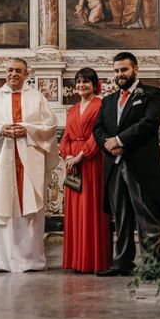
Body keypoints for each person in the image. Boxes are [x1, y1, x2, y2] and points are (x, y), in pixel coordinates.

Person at [0, 58, 59, 272]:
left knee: (30, 207)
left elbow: (50, 125)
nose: (14, 74)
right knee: (1, 206)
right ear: (6, 73)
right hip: (3, 159)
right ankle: (2, 260)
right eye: (10, 70)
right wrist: (1, 129)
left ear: (26, 74)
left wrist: (27, 129)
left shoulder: (37, 97)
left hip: (29, 159)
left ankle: (31, 260)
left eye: (19, 71)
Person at [93, 52, 160, 276]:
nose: (119, 74)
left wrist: (119, 140)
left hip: (140, 164)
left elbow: (149, 123)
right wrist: (108, 145)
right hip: (114, 164)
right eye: (116, 71)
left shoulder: (152, 94)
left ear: (135, 69)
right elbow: (98, 129)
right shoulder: (108, 100)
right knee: (121, 216)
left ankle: (154, 266)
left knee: (146, 216)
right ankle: (122, 263)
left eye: (123, 70)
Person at [60, 68, 111, 273]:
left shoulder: (102, 105)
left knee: (91, 208)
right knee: (74, 211)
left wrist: (82, 155)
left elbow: (100, 134)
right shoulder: (72, 110)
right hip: (73, 165)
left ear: (95, 85)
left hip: (92, 161)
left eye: (86, 82)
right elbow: (65, 138)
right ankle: (76, 259)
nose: (81, 85)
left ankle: (93, 260)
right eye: (78, 82)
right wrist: (68, 156)